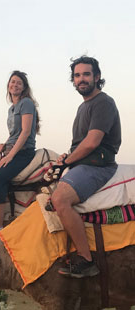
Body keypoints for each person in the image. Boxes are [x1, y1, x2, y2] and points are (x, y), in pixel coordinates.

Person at [50, 56, 121, 278]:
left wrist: (66, 162)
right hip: (84, 162)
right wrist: (67, 156)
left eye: (86, 74)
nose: (81, 79)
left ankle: (86, 259)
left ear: (97, 77)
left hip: (99, 165)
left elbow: (92, 142)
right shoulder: (83, 107)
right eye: (77, 75)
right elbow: (79, 145)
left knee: (59, 199)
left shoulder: (103, 103)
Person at [0, 70, 40, 235]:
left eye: (19, 82)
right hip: (11, 148)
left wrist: (10, 156)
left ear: (24, 87)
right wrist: (4, 145)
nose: (15, 85)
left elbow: (25, 132)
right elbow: (15, 134)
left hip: (23, 152)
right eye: (12, 82)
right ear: (8, 85)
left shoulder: (26, 103)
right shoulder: (12, 109)